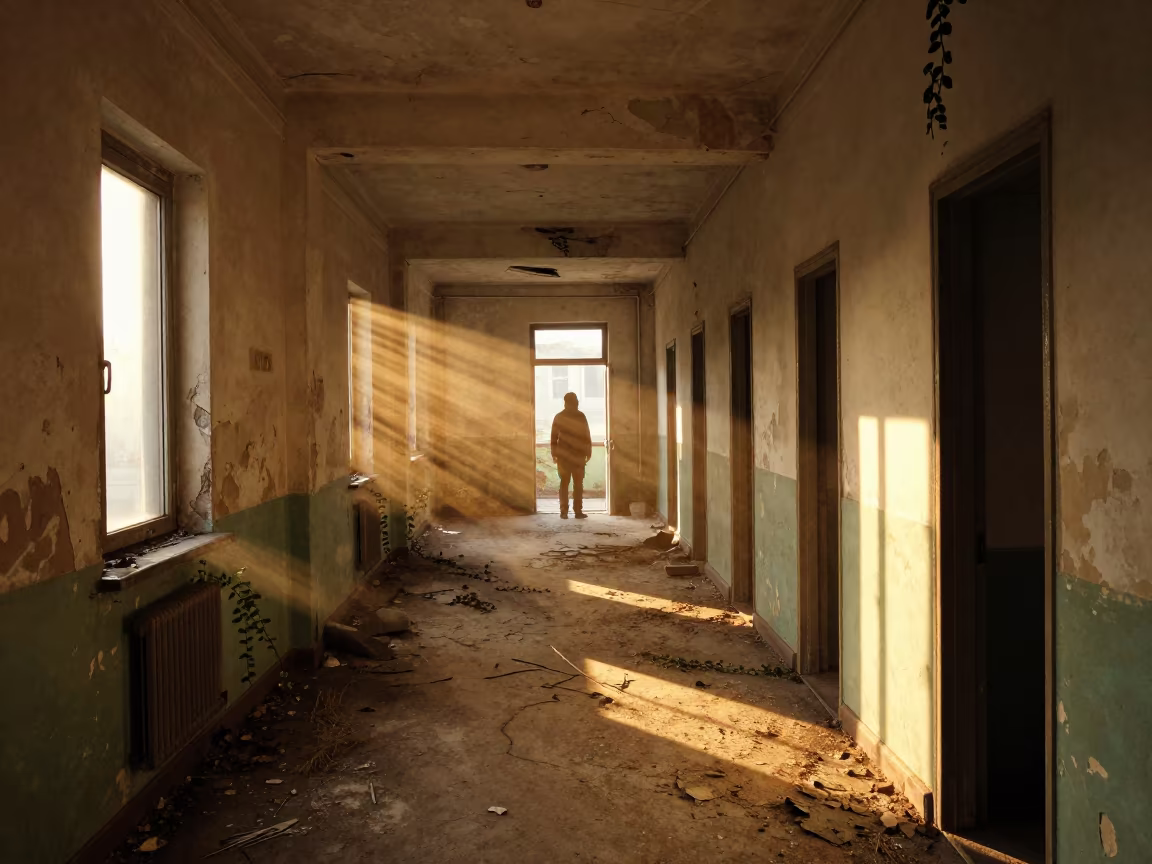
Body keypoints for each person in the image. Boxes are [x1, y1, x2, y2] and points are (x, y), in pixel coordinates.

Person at [550, 392, 592, 519]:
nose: (577, 403)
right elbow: (586, 435)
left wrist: (554, 453)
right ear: (568, 403)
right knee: (574, 484)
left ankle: (567, 511)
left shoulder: (561, 417)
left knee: (568, 483)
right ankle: (574, 511)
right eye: (575, 401)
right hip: (573, 456)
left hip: (567, 456)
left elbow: (553, 437)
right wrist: (588, 452)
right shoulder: (579, 416)